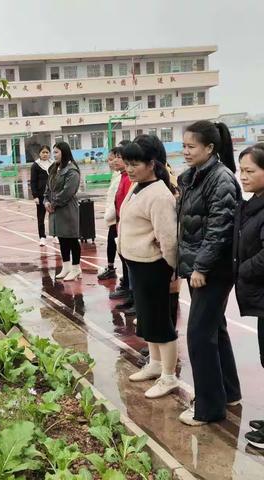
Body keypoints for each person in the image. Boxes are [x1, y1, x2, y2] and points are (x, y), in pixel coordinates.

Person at [177, 121, 241, 426]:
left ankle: (209, 408)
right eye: (184, 146)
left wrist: (201, 266)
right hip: (196, 265)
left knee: (199, 335)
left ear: (210, 148)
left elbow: (220, 229)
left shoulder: (221, 179)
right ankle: (228, 392)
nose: (185, 152)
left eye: (191, 147)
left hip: (211, 269)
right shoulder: (192, 177)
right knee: (215, 329)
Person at [118, 135, 179, 399]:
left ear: (151, 164)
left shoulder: (159, 195)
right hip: (137, 264)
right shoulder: (137, 186)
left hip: (154, 266)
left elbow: (168, 239)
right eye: (127, 163)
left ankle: (169, 376)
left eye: (135, 164)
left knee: (160, 321)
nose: (129, 169)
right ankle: (154, 364)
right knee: (146, 318)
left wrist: (174, 268)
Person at [233, 143, 264, 448]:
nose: (243, 176)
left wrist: (241, 269)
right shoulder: (253, 202)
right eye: (241, 170)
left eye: (250, 171)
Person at [44, 142, 81, 281]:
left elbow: (68, 191)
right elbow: (48, 189)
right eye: (53, 152)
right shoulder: (54, 168)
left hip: (67, 209)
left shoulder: (72, 171)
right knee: (61, 238)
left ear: (64, 153)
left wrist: (53, 203)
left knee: (71, 238)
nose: (54, 155)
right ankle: (66, 267)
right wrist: (46, 201)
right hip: (55, 209)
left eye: (57, 152)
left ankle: (76, 268)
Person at [108, 146, 134, 314]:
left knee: (132, 265)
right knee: (126, 262)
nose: (115, 160)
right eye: (114, 157)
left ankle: (135, 298)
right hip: (121, 225)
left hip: (128, 227)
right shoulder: (122, 177)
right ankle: (131, 296)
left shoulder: (129, 179)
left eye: (119, 157)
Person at [97, 148, 120, 280]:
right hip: (113, 217)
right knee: (111, 242)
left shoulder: (123, 176)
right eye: (109, 160)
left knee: (117, 245)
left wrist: (109, 216)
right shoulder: (116, 175)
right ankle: (110, 268)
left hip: (116, 217)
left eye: (113, 159)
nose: (110, 162)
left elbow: (118, 199)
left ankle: (124, 279)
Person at [30, 145, 56, 246]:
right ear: (39, 153)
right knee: (41, 217)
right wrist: (35, 196)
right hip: (40, 196)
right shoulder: (35, 165)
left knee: (54, 216)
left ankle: (55, 235)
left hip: (52, 194)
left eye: (47, 152)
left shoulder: (53, 164)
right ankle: (42, 237)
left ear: (49, 153)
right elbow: (33, 181)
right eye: (43, 152)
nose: (45, 154)